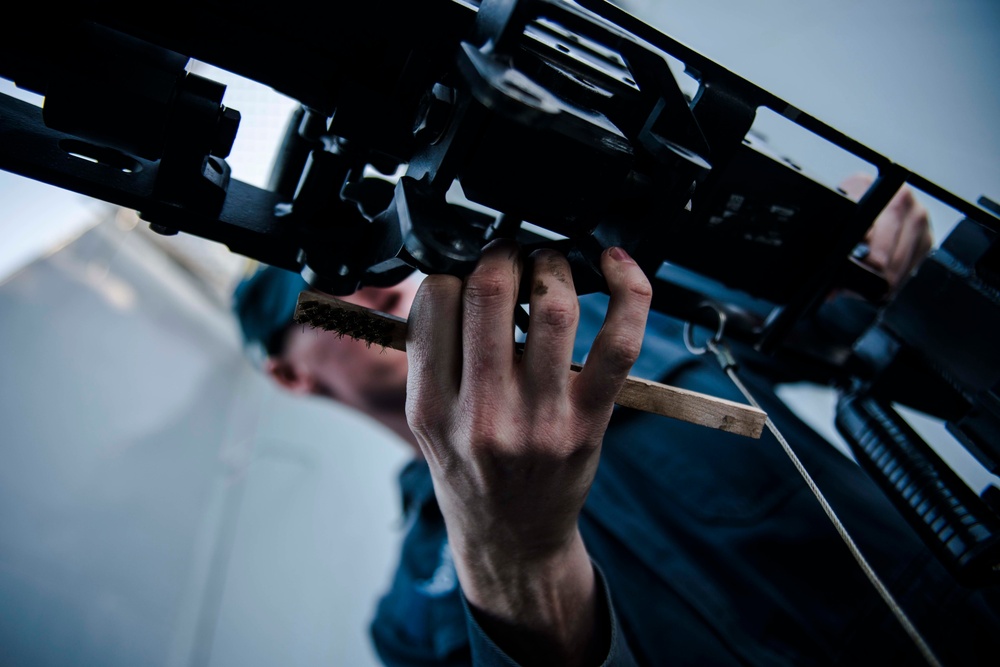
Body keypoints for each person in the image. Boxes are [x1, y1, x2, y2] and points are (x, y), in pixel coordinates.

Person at [231, 176, 999, 666]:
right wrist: (515, 566)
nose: (374, 279)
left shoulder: (629, 324)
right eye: (327, 276)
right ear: (289, 372)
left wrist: (857, 254)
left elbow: (840, 324)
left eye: (378, 248)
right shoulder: (411, 626)